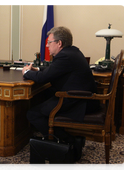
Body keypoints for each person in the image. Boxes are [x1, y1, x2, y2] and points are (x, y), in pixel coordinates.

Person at [22, 26, 100, 160]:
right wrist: (37, 69)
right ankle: (60, 140)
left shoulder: (64, 56)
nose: (47, 46)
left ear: (59, 43)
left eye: (49, 42)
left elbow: (43, 78)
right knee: (45, 96)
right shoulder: (72, 52)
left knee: (33, 114)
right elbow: (52, 71)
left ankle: (69, 141)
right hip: (83, 98)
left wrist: (27, 72)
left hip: (78, 101)